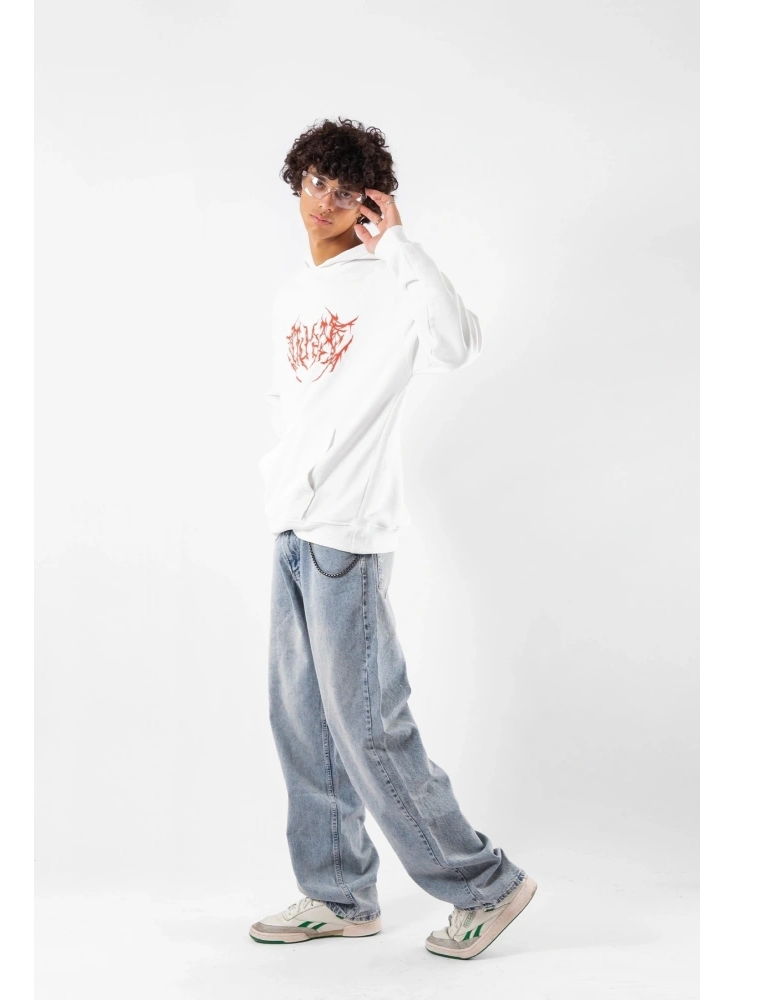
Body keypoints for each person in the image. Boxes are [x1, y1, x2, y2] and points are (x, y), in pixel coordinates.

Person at [250, 117, 536, 960]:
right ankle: (339, 892)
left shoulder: (390, 281)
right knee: (303, 720)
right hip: (293, 527)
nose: (325, 202)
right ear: (297, 182)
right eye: (314, 182)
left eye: (345, 191)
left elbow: (458, 342)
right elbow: (294, 407)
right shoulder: (291, 296)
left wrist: (403, 245)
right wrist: (279, 488)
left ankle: (487, 885)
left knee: (369, 724)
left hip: (349, 530)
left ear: (369, 201)